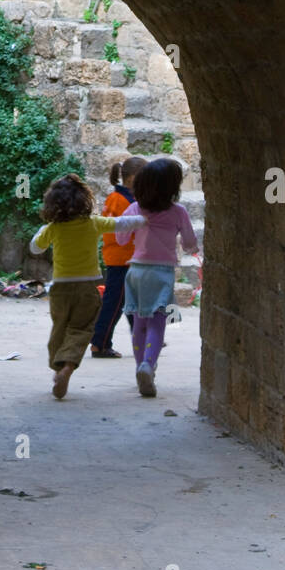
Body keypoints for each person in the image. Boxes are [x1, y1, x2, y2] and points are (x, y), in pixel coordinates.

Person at [30, 173, 145, 399]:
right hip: (88, 287)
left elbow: (35, 248)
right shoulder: (93, 223)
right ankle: (68, 367)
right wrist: (148, 218)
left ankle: (57, 366)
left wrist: (42, 231)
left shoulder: (53, 228)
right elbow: (122, 224)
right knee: (81, 329)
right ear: (84, 200)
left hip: (60, 289)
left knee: (59, 327)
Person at [114, 156, 198, 398]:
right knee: (157, 323)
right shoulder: (178, 212)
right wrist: (192, 250)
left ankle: (141, 367)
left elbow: (120, 238)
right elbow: (191, 242)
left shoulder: (134, 209)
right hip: (161, 274)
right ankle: (148, 366)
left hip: (136, 272)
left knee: (139, 324)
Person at [90, 156, 147, 359]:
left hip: (124, 257)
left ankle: (143, 335)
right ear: (132, 179)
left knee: (131, 300)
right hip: (121, 258)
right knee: (115, 302)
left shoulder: (120, 199)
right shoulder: (122, 201)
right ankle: (100, 342)